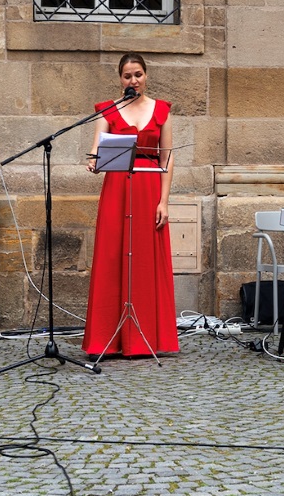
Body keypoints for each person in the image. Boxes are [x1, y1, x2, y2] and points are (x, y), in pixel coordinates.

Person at [83, 53, 179, 358]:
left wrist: (164, 200)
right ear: (120, 79)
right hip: (116, 190)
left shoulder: (161, 110)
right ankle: (107, 340)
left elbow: (167, 157)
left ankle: (147, 337)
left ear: (146, 75)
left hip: (149, 188)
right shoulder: (109, 110)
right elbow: (96, 151)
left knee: (145, 259)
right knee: (112, 256)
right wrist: (92, 162)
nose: (133, 80)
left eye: (137, 74)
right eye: (127, 76)